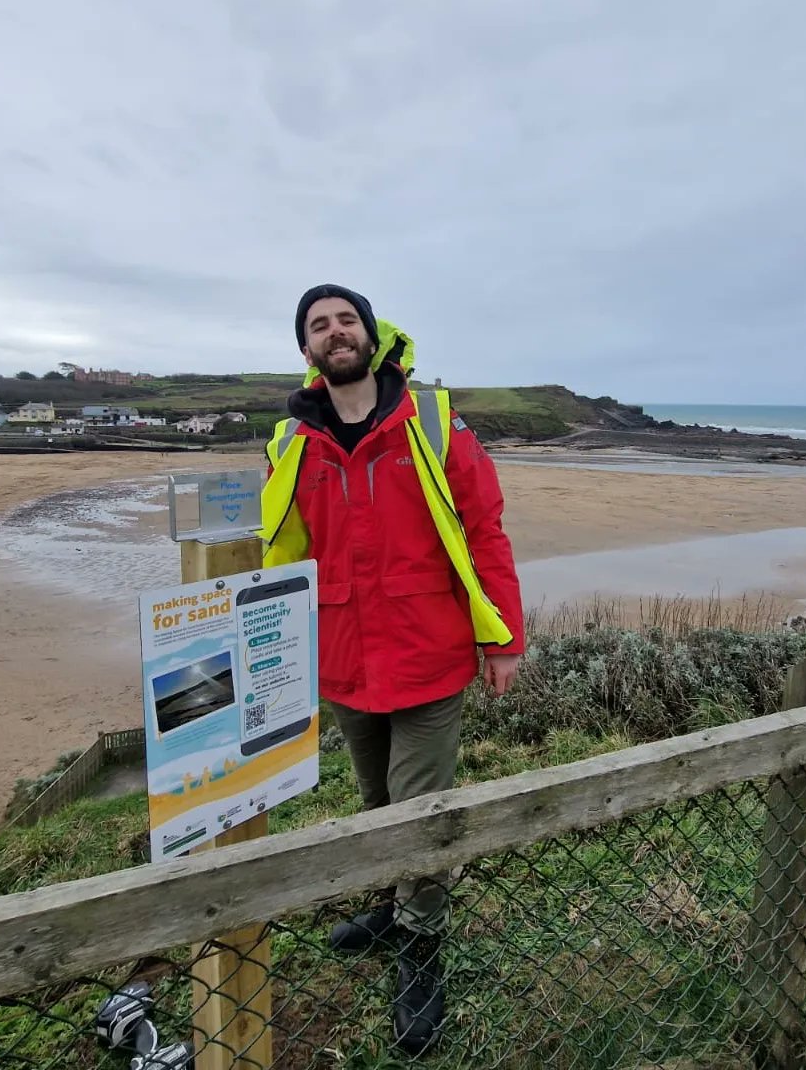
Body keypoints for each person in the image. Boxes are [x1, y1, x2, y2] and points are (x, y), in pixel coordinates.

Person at [260, 284, 525, 1055]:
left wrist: (502, 639)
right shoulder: (289, 442)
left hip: (429, 652)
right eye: (319, 325)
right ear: (305, 349)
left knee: (420, 808)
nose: (334, 332)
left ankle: (420, 950)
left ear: (371, 336)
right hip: (343, 656)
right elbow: (280, 553)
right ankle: (388, 905)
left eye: (346, 320)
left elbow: (486, 529)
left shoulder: (435, 420)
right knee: (376, 799)